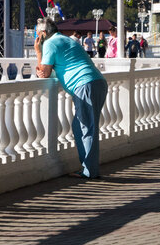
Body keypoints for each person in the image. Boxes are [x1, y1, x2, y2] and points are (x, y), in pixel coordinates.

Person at [34, 18, 108, 179]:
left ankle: (90, 172)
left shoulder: (49, 43)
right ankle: (88, 169)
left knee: (85, 129)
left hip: (85, 85)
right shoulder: (65, 39)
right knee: (81, 127)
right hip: (96, 82)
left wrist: (38, 51)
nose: (37, 37)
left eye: (38, 33)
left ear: (44, 33)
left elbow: (44, 72)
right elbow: (58, 68)